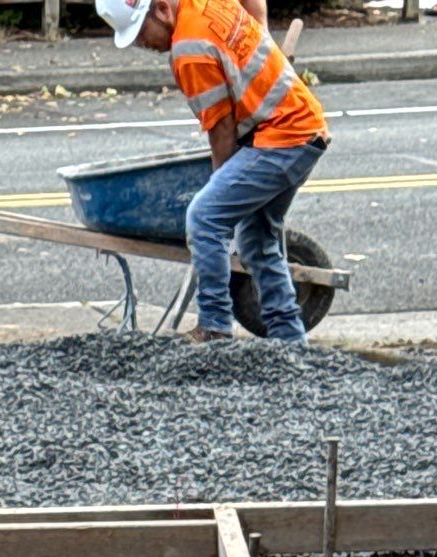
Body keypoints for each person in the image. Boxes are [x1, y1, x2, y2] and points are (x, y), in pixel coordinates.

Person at [97, 0, 329, 344]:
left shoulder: (189, 50)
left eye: (140, 33)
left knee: (205, 218)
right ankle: (290, 342)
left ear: (161, 10)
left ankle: (215, 326)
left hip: (282, 136)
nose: (141, 45)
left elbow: (222, 133)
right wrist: (258, 30)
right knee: (257, 240)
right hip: (304, 127)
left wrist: (222, 190)